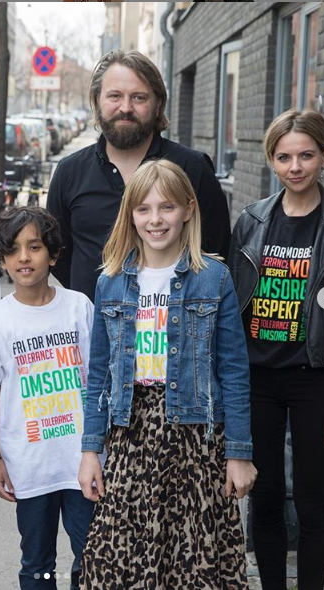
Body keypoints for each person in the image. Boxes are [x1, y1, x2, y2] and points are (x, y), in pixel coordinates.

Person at [78, 159, 257, 589]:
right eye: (144, 209)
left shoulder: (213, 278)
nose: (155, 219)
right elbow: (98, 375)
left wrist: (239, 453)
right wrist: (90, 450)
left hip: (197, 437)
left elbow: (234, 370)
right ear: (130, 215)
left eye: (167, 207)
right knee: (119, 555)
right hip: (130, 432)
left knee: (193, 558)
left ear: (188, 210)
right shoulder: (111, 282)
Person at [228, 109, 324, 590]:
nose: (295, 166)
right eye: (283, 157)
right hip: (258, 380)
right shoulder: (252, 222)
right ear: (271, 161)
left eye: (305, 155)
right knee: (265, 499)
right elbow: (232, 310)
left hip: (317, 380)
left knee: (314, 502)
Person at [47, 49, 231, 302]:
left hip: (176, 331)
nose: (125, 107)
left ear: (158, 106)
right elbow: (57, 254)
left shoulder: (193, 168)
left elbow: (215, 250)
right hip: (93, 328)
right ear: (97, 100)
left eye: (139, 98)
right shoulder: (69, 172)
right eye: (114, 96)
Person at [0, 207, 96, 590]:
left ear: (54, 254)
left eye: (35, 247)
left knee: (92, 555)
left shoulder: (79, 307)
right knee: (37, 562)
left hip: (81, 461)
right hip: (28, 461)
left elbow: (97, 382)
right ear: (2, 260)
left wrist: (97, 447)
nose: (24, 258)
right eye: (12, 250)